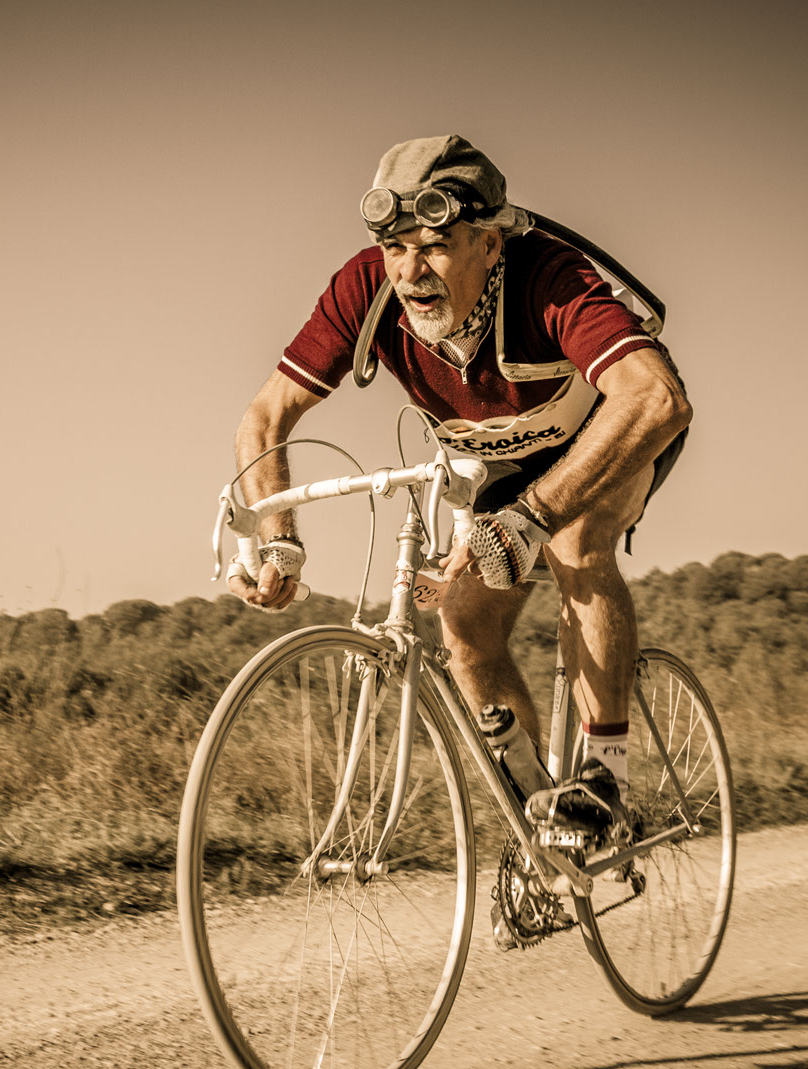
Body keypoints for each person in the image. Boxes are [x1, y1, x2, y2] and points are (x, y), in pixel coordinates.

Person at [225, 134, 692, 831]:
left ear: (490, 244)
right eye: (395, 248)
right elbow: (265, 416)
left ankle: (604, 782)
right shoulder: (366, 289)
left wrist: (534, 514)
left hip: (604, 440)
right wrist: (279, 539)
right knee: (463, 618)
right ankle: (542, 819)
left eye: (435, 246)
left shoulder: (548, 278)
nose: (410, 272)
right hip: (501, 464)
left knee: (574, 541)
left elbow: (655, 400)